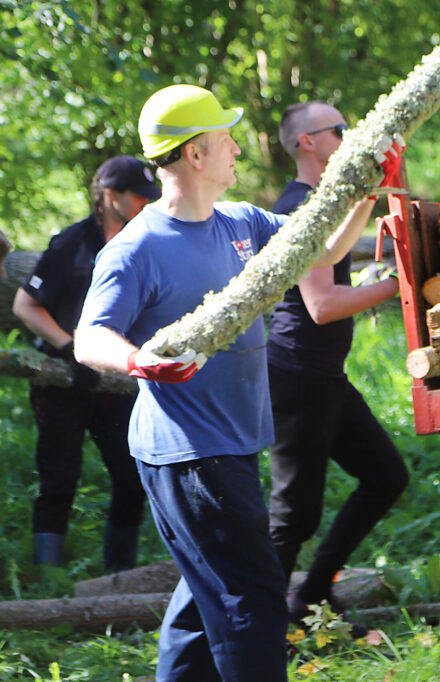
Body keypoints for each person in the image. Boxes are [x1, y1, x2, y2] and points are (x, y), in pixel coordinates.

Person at [74, 84, 392, 681]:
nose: (238, 150)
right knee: (252, 600)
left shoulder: (242, 221)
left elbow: (319, 253)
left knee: (201, 604)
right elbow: (90, 338)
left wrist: (367, 192)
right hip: (191, 455)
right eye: (225, 139)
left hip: (232, 443)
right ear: (195, 155)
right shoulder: (136, 248)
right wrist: (140, 361)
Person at [267, 100, 409, 625]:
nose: (348, 138)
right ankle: (264, 623)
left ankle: (313, 591)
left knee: (385, 475)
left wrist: (371, 195)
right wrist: (399, 286)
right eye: (339, 131)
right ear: (307, 142)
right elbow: (322, 306)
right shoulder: (297, 208)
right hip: (298, 374)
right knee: (293, 515)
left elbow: (337, 262)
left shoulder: (322, 202)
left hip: (324, 376)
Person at [13, 155, 159, 572]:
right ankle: (48, 584)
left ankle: (120, 575)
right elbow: (25, 304)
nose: (146, 204)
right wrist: (65, 348)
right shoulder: (71, 244)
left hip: (114, 380)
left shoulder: (143, 242)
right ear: (109, 195)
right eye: (138, 197)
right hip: (63, 380)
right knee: (59, 478)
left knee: (132, 479)